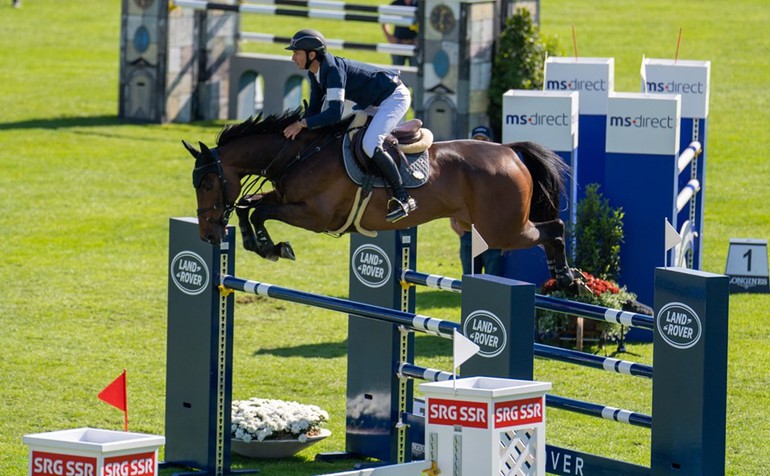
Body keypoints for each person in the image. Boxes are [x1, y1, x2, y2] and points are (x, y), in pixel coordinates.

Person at [282, 29, 417, 223]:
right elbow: (314, 110)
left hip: (392, 98)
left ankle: (403, 197)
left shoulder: (333, 72)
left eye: (296, 53)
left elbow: (334, 113)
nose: (293, 57)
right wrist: (299, 126)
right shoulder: (315, 73)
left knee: (370, 144)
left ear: (311, 55)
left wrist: (303, 123)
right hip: (370, 101)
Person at [450, 126, 506, 276]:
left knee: (492, 283)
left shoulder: (499, 167)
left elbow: (505, 201)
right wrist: (453, 222)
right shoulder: (463, 167)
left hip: (492, 234)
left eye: (484, 140)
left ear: (491, 142)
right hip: (468, 232)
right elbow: (454, 194)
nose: (480, 144)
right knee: (470, 282)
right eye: (476, 140)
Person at [381, 0, 418, 66]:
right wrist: (388, 36)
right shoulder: (397, 3)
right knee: (396, 71)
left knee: (415, 71)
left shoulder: (419, 4)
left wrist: (419, 39)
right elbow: (384, 19)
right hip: (398, 43)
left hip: (414, 44)